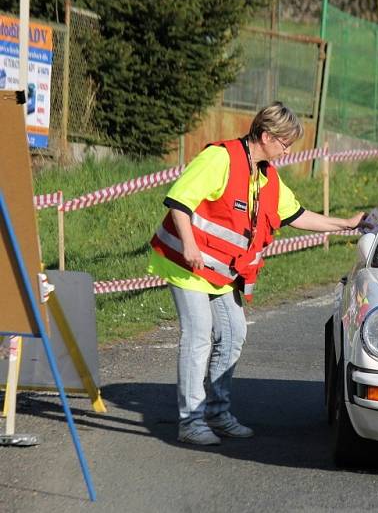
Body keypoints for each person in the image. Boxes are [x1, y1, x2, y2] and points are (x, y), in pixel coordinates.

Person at [148, 102, 363, 446]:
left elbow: (297, 215)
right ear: (265, 136)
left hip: (220, 273)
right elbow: (179, 202)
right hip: (185, 264)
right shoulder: (220, 159)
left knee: (233, 333)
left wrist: (345, 224)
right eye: (285, 143)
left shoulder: (266, 176)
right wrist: (188, 246)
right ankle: (190, 421)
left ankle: (217, 413)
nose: (287, 150)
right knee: (199, 334)